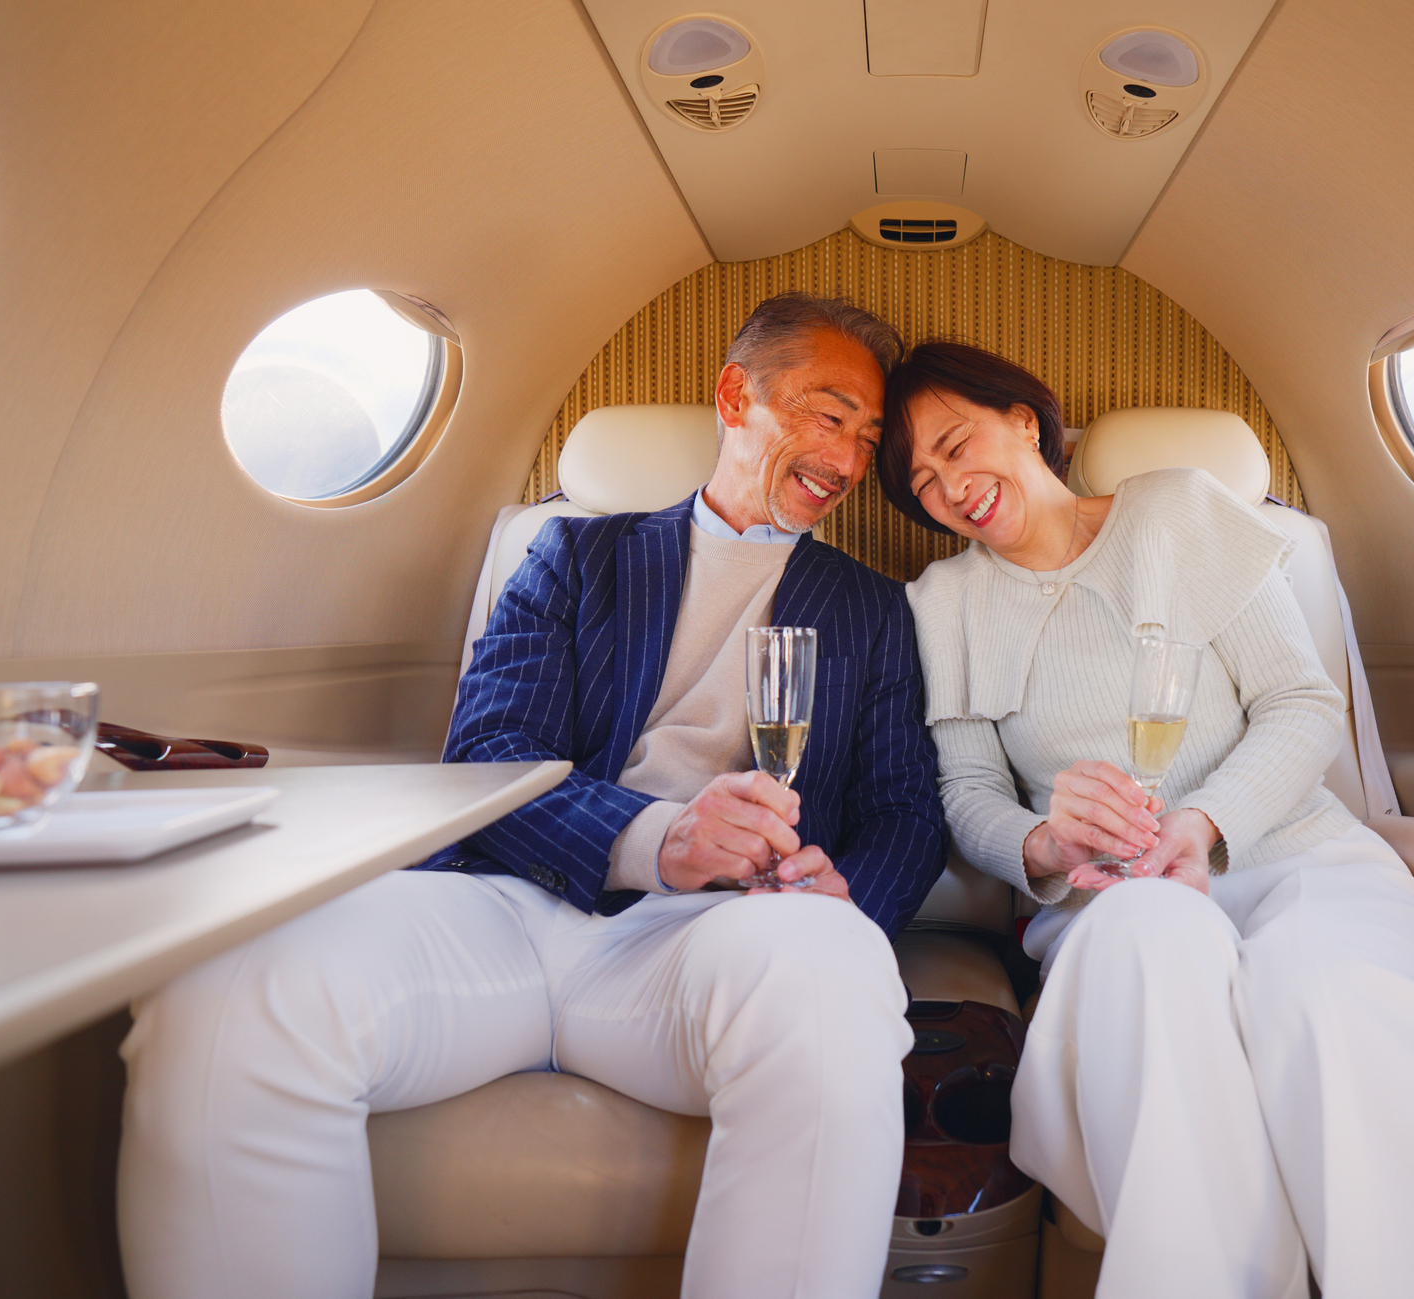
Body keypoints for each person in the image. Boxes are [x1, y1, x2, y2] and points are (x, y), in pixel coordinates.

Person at [118, 293, 948, 1299]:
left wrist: (843, 895)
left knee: (833, 968)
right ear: (737, 397)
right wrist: (657, 838)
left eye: (866, 437)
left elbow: (905, 810)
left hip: (721, 938)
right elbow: (490, 752)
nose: (848, 460)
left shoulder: (873, 610)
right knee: (227, 982)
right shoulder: (574, 557)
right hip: (511, 907)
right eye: (828, 416)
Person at [877, 341, 1414, 1298]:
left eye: (956, 446)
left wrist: (1201, 822)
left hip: (1302, 864)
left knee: (1334, 1004)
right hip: (1116, 898)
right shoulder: (941, 603)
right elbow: (964, 795)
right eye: (921, 481)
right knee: (1155, 953)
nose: (950, 486)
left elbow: (1300, 703)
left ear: (1024, 422)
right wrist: (1044, 840)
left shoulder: (1178, 511)